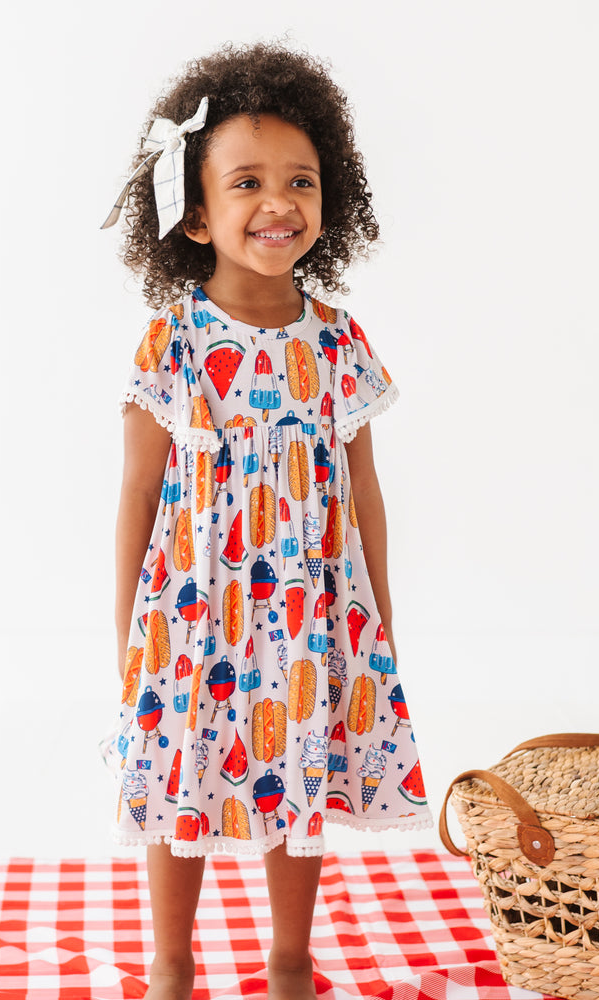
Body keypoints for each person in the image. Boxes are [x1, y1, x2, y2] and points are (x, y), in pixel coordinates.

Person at [104, 42, 433, 1000]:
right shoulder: (172, 341)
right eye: (247, 182)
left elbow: (362, 488)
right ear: (195, 213)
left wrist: (376, 615)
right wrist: (128, 631)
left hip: (307, 610)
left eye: (301, 179)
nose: (279, 202)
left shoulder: (336, 340)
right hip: (191, 615)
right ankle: (173, 956)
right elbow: (137, 496)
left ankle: (291, 957)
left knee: (300, 784)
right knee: (182, 784)